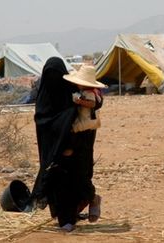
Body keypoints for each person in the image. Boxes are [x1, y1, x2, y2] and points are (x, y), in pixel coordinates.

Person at [30, 57, 102, 232]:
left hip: (77, 147)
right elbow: (43, 123)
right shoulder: (43, 98)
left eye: (56, 75)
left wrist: (70, 145)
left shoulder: (70, 89)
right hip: (51, 150)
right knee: (55, 181)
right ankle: (66, 217)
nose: (53, 79)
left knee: (74, 180)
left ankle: (69, 218)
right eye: (50, 76)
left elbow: (96, 100)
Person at [62, 66, 106, 223]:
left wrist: (79, 101)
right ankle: (81, 204)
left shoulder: (89, 94)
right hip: (86, 132)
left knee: (80, 172)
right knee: (80, 171)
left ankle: (92, 197)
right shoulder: (93, 92)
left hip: (82, 131)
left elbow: (91, 104)